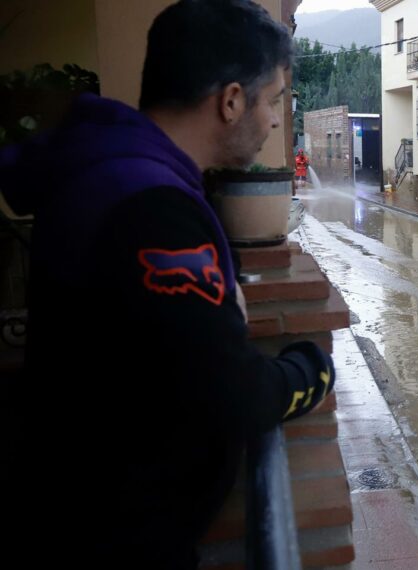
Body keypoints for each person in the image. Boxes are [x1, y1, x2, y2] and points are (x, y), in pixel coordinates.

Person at [0, 1, 335, 566]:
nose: (277, 120)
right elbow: (233, 394)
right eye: (274, 100)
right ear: (232, 101)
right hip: (113, 540)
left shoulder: (113, 170)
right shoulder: (151, 209)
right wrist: (311, 370)